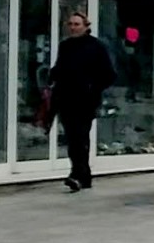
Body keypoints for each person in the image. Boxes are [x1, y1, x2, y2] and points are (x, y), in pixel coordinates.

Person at [48, 11, 114, 193]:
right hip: (65, 98)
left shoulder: (96, 47)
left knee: (80, 137)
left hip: (85, 101)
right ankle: (82, 175)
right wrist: (52, 75)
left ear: (86, 26)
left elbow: (109, 74)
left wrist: (92, 88)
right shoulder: (65, 46)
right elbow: (61, 68)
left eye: (77, 24)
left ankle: (78, 174)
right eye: (70, 24)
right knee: (72, 138)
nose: (73, 27)